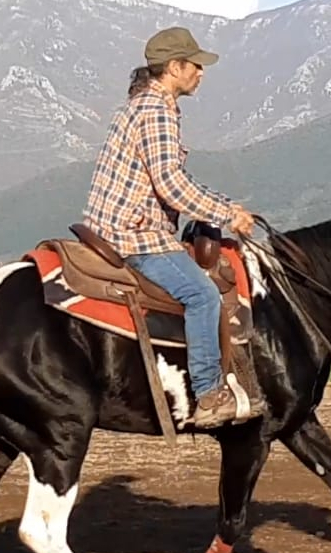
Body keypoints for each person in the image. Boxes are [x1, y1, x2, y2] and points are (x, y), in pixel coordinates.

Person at [83, 26, 260, 429]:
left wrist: (225, 205)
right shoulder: (156, 110)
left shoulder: (143, 105)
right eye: (195, 65)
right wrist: (227, 216)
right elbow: (170, 184)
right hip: (135, 235)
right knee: (203, 296)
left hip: (124, 226)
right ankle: (209, 394)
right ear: (174, 67)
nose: (201, 72)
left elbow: (175, 179)